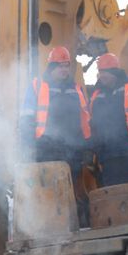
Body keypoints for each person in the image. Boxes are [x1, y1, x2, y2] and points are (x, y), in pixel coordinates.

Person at [19, 45, 92, 218]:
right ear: (52, 67)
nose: (65, 70)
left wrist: (88, 146)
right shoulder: (37, 86)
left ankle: (68, 223)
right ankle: (49, 222)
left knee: (69, 190)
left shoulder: (76, 89)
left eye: (67, 66)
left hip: (72, 150)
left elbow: (85, 119)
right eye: (61, 66)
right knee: (47, 190)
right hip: (45, 149)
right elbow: (27, 117)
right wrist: (28, 146)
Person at [90, 53, 128, 187]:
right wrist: (92, 148)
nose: (102, 75)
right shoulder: (97, 94)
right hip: (108, 155)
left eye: (106, 72)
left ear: (115, 72)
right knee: (113, 192)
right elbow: (92, 123)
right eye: (100, 72)